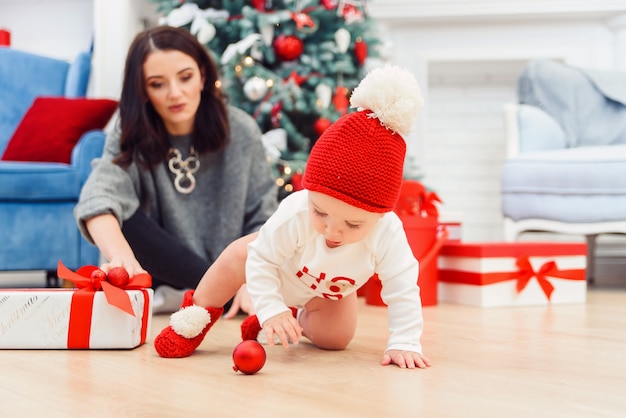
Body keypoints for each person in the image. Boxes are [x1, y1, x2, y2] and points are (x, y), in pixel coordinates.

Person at [153, 65, 431, 369]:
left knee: (336, 340)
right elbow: (261, 261)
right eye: (320, 212)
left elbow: (402, 286)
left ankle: (287, 319)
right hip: (276, 266)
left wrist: (405, 340)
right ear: (309, 194)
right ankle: (193, 321)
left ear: (380, 215)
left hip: (326, 292)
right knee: (237, 257)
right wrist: (271, 306)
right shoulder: (296, 212)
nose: (332, 230)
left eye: (353, 224)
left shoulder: (388, 233)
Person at [74, 26, 278, 315]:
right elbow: (97, 196)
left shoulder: (241, 130)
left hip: (228, 272)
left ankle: (220, 292)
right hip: (156, 274)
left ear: (203, 76)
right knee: (120, 210)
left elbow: (264, 218)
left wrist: (250, 277)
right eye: (157, 84)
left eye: (185, 78)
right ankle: (216, 294)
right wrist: (121, 257)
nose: (175, 93)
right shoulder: (131, 131)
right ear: (143, 90)